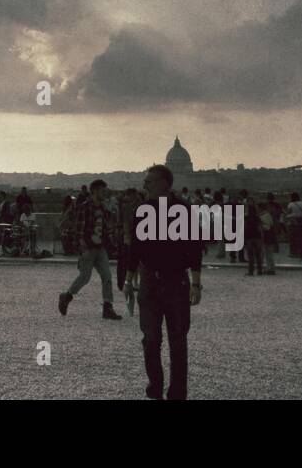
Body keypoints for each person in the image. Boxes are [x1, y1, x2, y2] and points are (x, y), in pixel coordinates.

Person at [126, 165, 202, 400]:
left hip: (175, 282)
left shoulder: (184, 210)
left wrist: (196, 283)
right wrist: (129, 281)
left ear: (164, 184)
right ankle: (155, 388)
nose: (145, 185)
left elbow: (194, 249)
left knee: (177, 342)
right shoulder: (142, 210)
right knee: (150, 340)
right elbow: (135, 249)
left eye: (149, 181)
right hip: (150, 281)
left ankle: (177, 394)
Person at [58, 179, 121, 320]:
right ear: (95, 191)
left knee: (107, 277)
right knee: (84, 278)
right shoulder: (85, 207)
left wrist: (110, 243)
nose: (105, 193)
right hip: (89, 248)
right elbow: (79, 230)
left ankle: (107, 307)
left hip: (100, 248)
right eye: (102, 191)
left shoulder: (103, 208)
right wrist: (83, 248)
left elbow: (105, 228)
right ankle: (66, 296)